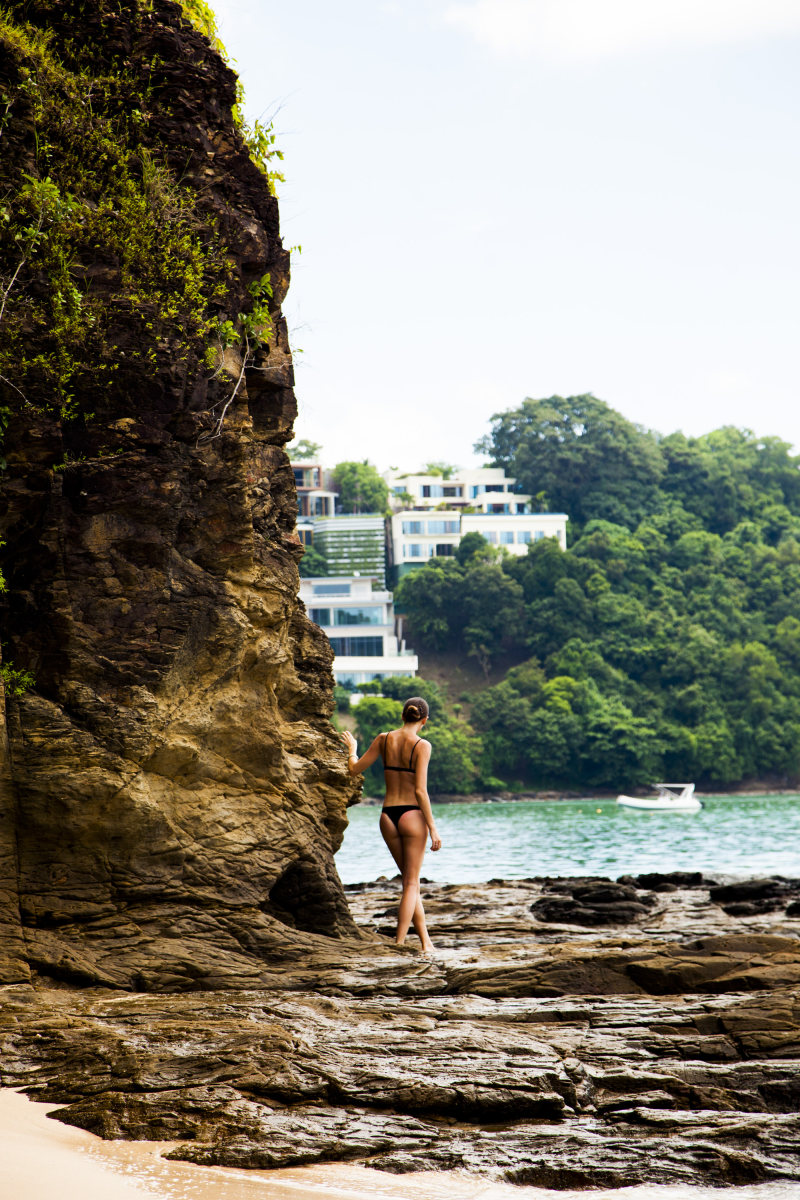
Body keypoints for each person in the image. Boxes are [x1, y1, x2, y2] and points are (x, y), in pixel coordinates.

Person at [342, 697, 441, 953]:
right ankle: (398, 944)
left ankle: (425, 942)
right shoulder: (422, 745)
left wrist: (352, 748)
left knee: (410, 881)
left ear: (402, 716)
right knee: (411, 883)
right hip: (411, 815)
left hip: (387, 816)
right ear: (424, 720)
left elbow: (354, 769)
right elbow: (420, 791)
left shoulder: (384, 739)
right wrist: (433, 828)